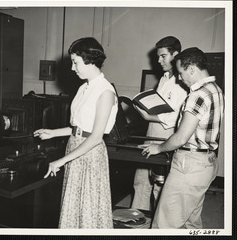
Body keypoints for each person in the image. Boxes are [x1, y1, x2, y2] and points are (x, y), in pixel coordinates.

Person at [33, 37, 118, 229]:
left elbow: (96, 137)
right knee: (73, 206)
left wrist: (61, 161)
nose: (72, 68)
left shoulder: (105, 92)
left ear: (90, 60)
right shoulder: (84, 88)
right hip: (75, 147)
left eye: (75, 62)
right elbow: (79, 127)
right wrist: (53, 133)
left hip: (90, 154)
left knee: (87, 209)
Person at [142, 47, 224, 229]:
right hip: (207, 162)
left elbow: (180, 138)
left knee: (164, 224)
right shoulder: (216, 89)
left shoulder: (197, 95)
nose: (179, 78)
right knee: (191, 222)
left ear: (192, 69)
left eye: (181, 73)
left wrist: (159, 147)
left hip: (190, 165)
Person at [131, 36, 188, 212]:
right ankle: (135, 217)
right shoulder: (164, 78)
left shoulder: (182, 82)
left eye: (163, 56)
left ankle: (157, 224)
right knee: (141, 179)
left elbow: (175, 117)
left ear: (175, 55)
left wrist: (149, 117)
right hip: (151, 133)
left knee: (159, 183)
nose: (158, 60)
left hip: (166, 135)